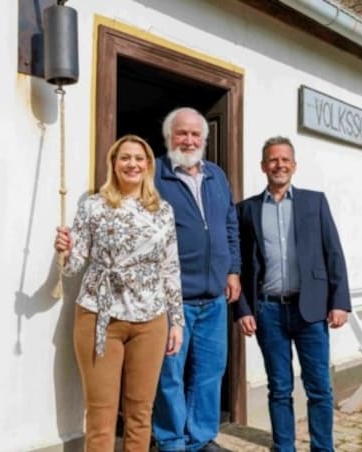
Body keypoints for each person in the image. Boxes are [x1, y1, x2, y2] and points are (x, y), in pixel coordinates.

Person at [54, 135, 184, 451]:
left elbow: (170, 267)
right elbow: (72, 268)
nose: (132, 164)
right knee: (101, 416)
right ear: (114, 163)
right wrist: (64, 250)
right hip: (99, 315)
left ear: (148, 165)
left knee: (140, 414)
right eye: (124, 157)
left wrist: (176, 321)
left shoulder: (163, 210)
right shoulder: (93, 206)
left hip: (151, 319)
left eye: (139, 158)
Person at [234, 136, 351, 452]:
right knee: (279, 388)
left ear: (294, 165)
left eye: (285, 159)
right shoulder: (247, 210)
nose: (279, 165)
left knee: (319, 389)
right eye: (273, 160)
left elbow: (333, 253)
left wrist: (339, 302)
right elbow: (239, 265)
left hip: (310, 309)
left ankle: (322, 448)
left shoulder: (315, 202)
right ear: (263, 166)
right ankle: (284, 446)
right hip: (268, 311)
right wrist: (243, 309)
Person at [151, 107, 241, 452]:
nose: (188, 140)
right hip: (173, 299)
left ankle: (199, 438)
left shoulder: (217, 175)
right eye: (181, 133)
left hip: (215, 298)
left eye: (194, 134)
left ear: (203, 139)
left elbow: (229, 225)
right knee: (170, 375)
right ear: (169, 136)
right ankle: (170, 441)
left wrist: (233, 269)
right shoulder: (154, 175)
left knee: (209, 372)